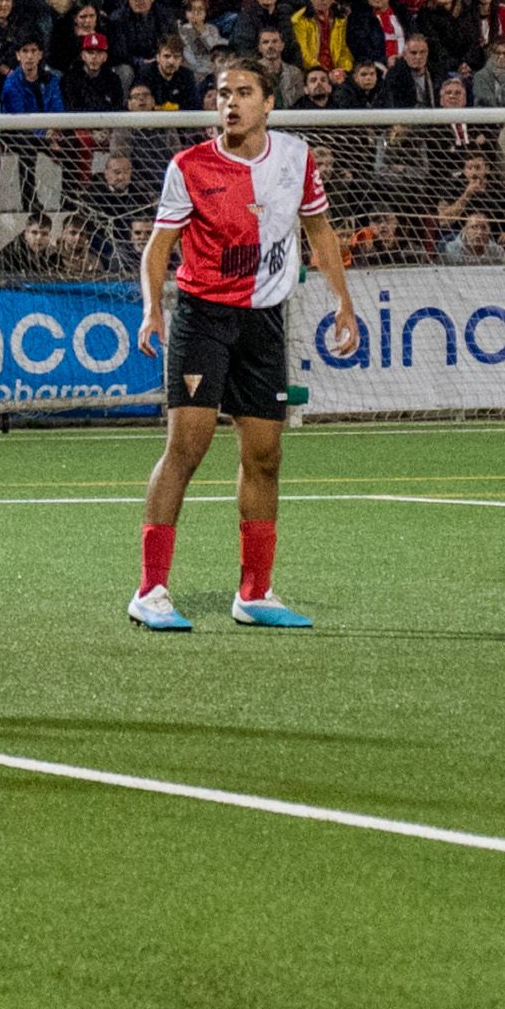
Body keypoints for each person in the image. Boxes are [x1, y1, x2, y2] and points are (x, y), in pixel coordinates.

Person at [130, 58, 362, 631]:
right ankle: (151, 589)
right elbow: (159, 247)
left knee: (264, 456)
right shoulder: (188, 166)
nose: (230, 102)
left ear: (267, 104)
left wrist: (343, 300)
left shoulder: (295, 158)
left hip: (264, 323)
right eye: (222, 93)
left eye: (242, 93)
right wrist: (152, 309)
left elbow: (319, 232)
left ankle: (255, 594)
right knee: (187, 449)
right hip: (203, 318)